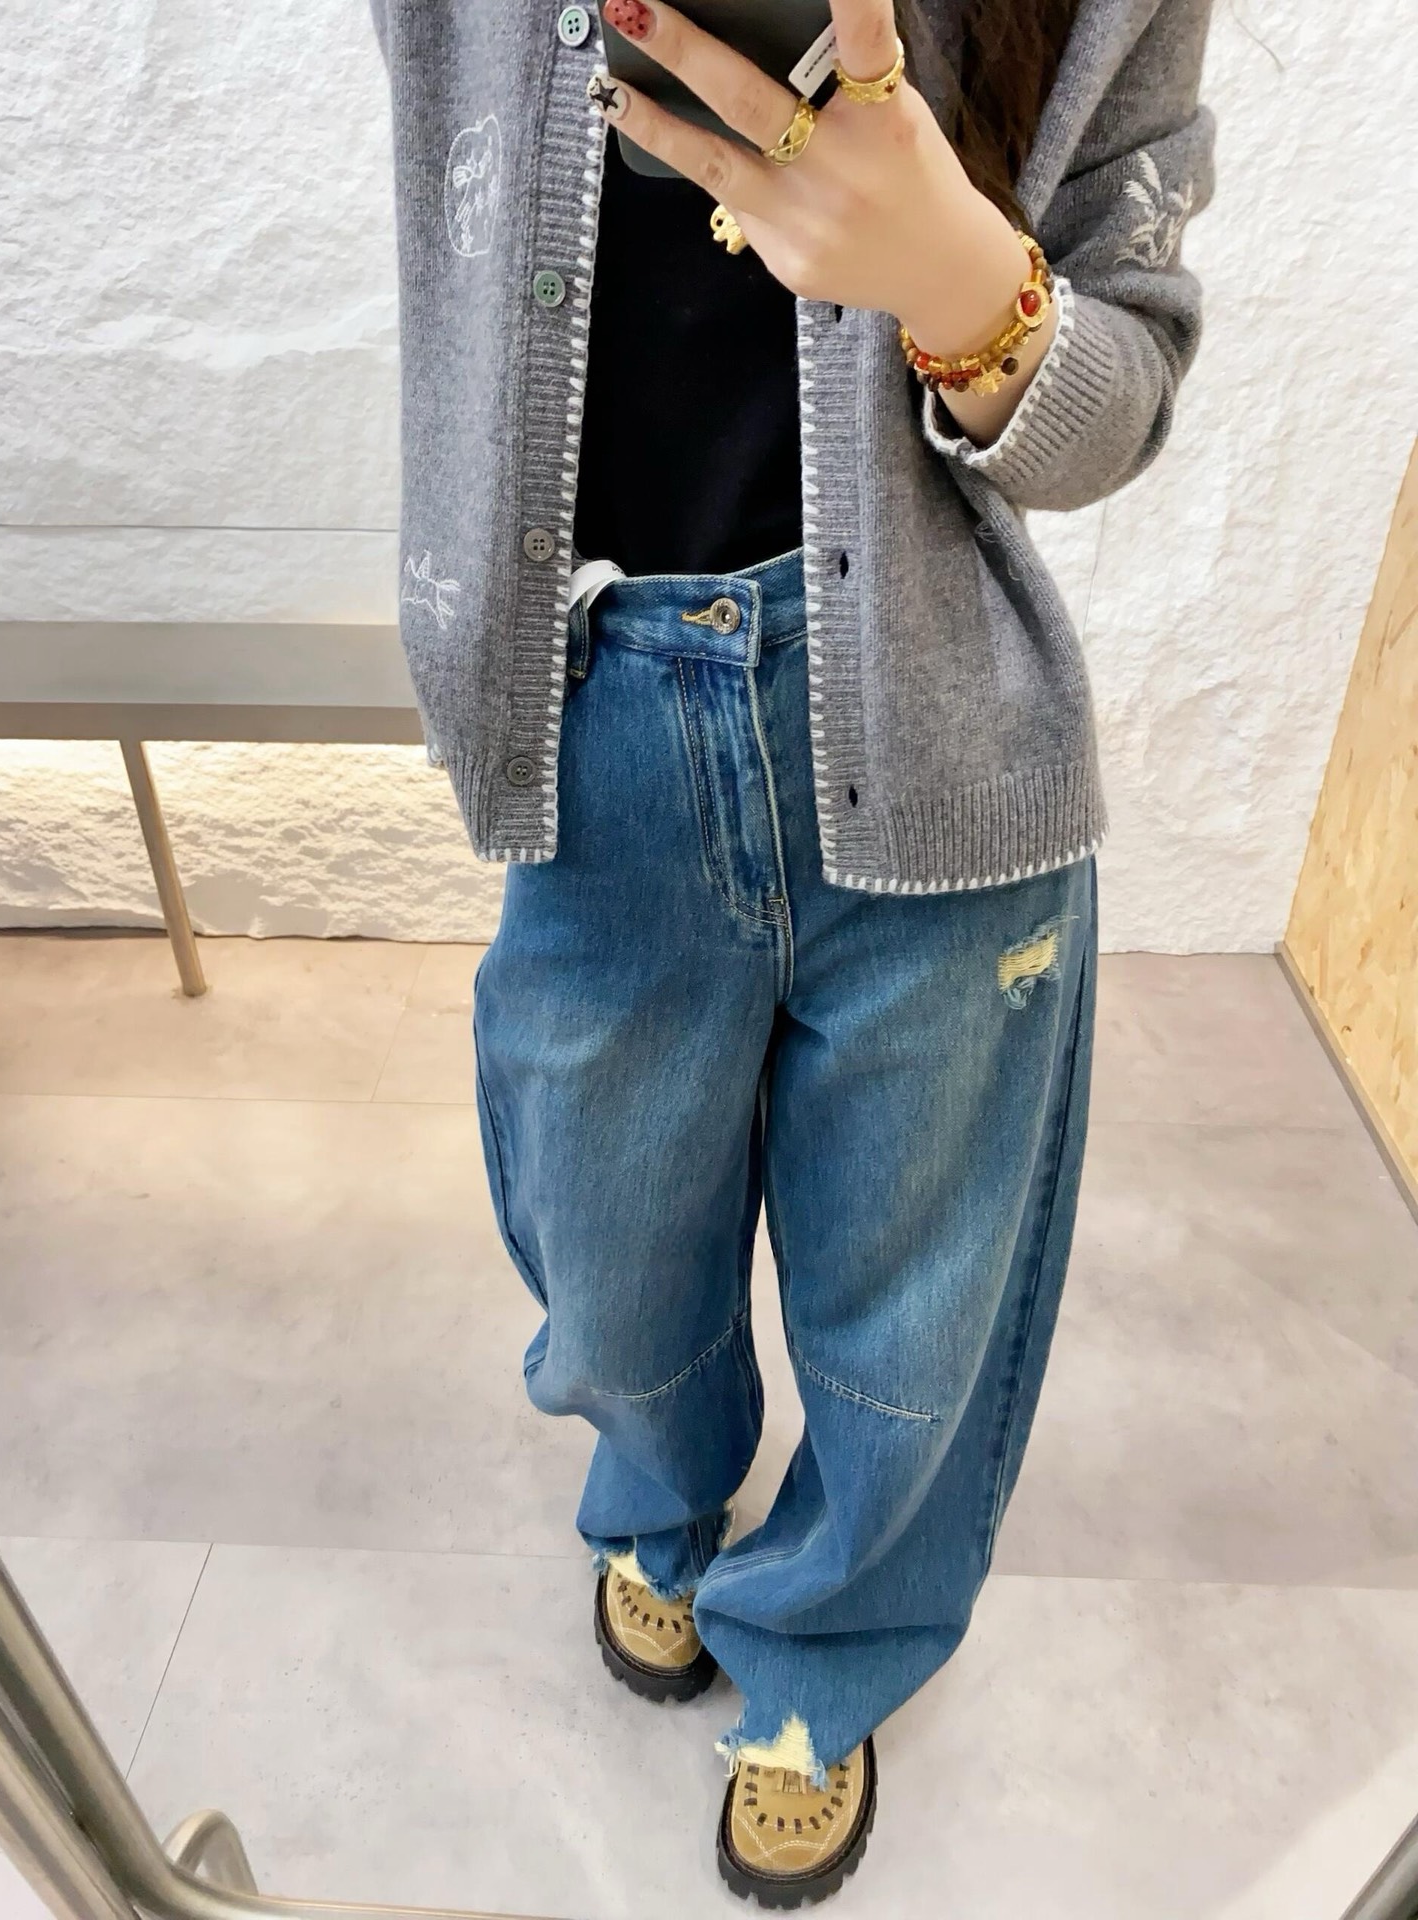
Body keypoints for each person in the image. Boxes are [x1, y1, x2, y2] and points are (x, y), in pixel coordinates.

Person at [367, 0, 1214, 1901]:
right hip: (592, 718)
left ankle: (826, 1658)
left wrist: (968, 286)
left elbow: (1125, 386)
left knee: (908, 1317)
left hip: (939, 739)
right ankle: (657, 1503)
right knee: (607, 1263)